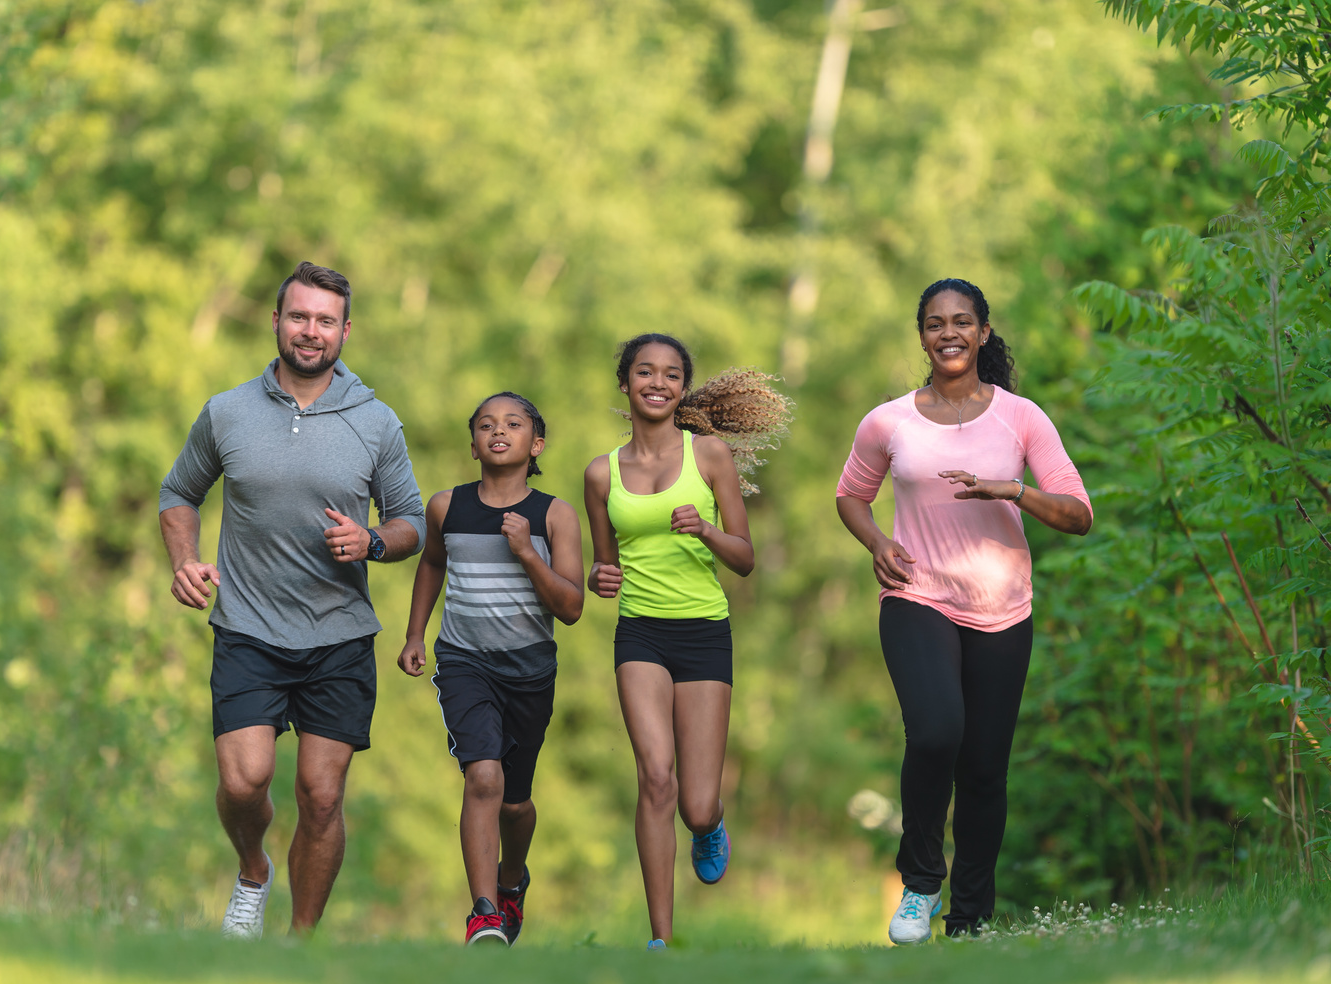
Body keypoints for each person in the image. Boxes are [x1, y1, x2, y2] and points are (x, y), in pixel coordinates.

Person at [158, 261, 426, 939]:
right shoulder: (227, 411)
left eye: (325, 320)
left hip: (338, 635)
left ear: (345, 331)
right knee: (245, 782)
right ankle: (253, 870)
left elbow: (412, 523)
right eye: (299, 316)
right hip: (248, 628)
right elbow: (178, 494)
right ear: (276, 321)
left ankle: (299, 945)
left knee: (322, 794)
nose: (311, 331)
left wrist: (371, 542)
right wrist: (184, 561)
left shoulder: (376, 421)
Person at [834, 278, 1093, 943]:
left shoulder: (1022, 418)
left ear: (982, 332)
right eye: (932, 323)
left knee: (982, 767)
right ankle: (920, 881)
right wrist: (876, 543)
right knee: (933, 733)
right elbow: (851, 496)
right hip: (917, 596)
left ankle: (970, 922)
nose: (946, 333)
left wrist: (1012, 490)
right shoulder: (888, 420)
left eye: (960, 322)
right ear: (920, 335)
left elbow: (1077, 514)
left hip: (1002, 609)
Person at [583, 334, 792, 950]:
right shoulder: (602, 472)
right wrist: (601, 577)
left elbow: (747, 558)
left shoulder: (710, 457)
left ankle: (711, 826)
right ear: (624, 383)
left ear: (682, 387)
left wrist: (703, 528)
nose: (657, 382)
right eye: (644, 371)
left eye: (671, 374)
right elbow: (602, 569)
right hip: (640, 633)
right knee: (655, 776)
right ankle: (661, 940)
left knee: (695, 805)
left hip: (703, 633)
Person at [397, 392, 584, 946]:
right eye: (485, 425)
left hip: (529, 671)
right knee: (482, 777)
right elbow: (432, 562)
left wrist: (529, 552)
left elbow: (571, 608)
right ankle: (483, 912)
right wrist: (415, 634)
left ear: (537, 443)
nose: (498, 431)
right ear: (473, 443)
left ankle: (511, 881)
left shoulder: (554, 514)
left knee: (516, 802)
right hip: (463, 662)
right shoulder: (445, 507)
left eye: (513, 424)